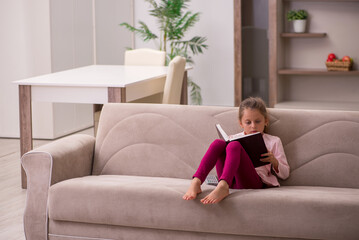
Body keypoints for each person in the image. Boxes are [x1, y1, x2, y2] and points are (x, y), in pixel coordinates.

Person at [182, 97, 290, 204]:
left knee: (234, 146)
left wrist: (274, 161)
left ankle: (223, 186)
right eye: (248, 122)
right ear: (241, 124)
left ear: (265, 121)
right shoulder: (233, 138)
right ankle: (196, 181)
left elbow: (285, 174)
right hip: (231, 180)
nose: (253, 126)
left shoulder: (273, 141)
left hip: (253, 182)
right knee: (218, 143)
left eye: (257, 121)